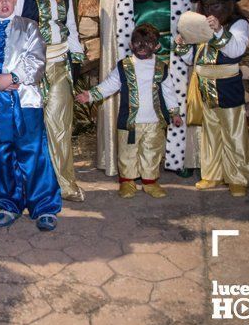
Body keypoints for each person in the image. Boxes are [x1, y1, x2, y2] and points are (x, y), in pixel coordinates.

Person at [98, 0, 198, 179]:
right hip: (137, 49)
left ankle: (178, 157)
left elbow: (196, 3)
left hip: (172, 46)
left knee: (175, 98)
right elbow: (111, 9)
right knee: (141, 104)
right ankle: (136, 161)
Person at [0, 0, 61, 230]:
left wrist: (11, 78)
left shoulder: (29, 27)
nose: (4, 2)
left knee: (32, 151)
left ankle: (43, 204)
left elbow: (36, 60)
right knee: (1, 153)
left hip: (25, 101)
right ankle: (9, 203)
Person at [76, 24, 183, 199]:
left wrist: (175, 113)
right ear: (131, 44)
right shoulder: (124, 66)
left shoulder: (161, 67)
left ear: (156, 46)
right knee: (127, 152)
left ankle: (150, 182)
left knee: (152, 152)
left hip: (155, 122)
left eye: (148, 43)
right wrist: (91, 95)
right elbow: (110, 85)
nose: (142, 46)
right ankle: (127, 181)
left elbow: (169, 91)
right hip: (129, 121)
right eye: (138, 42)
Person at [20, 0, 86, 202]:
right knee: (31, 131)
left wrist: (78, 57)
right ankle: (35, 186)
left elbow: (70, 25)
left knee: (60, 127)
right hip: (30, 71)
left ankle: (65, 183)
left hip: (59, 64)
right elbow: (14, 28)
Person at [175, 0, 249, 197]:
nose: (209, 10)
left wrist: (218, 30)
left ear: (228, 4)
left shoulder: (239, 24)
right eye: (206, 5)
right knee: (210, 133)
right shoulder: (200, 24)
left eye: (215, 5)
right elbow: (193, 59)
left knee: (233, 133)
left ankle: (238, 177)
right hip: (203, 86)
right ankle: (212, 174)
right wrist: (182, 46)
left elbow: (236, 50)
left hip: (227, 85)